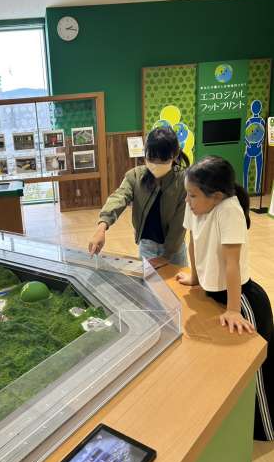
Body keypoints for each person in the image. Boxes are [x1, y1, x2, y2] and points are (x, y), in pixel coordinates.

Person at [177, 155, 274, 441]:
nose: (187, 200)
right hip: (215, 293)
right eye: (187, 194)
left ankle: (265, 430)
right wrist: (196, 277)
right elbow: (192, 242)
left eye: (193, 195)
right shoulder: (196, 205)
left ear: (217, 196)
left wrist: (233, 310)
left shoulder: (229, 210)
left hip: (241, 298)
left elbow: (232, 264)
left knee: (257, 368)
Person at [88, 127, 189, 267]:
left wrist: (166, 256)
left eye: (163, 160)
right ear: (145, 153)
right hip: (147, 246)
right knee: (148, 281)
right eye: (152, 158)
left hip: (175, 249)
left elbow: (179, 224)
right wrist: (102, 226)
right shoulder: (135, 176)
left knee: (176, 281)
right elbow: (119, 197)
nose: (156, 164)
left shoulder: (183, 181)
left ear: (175, 155)